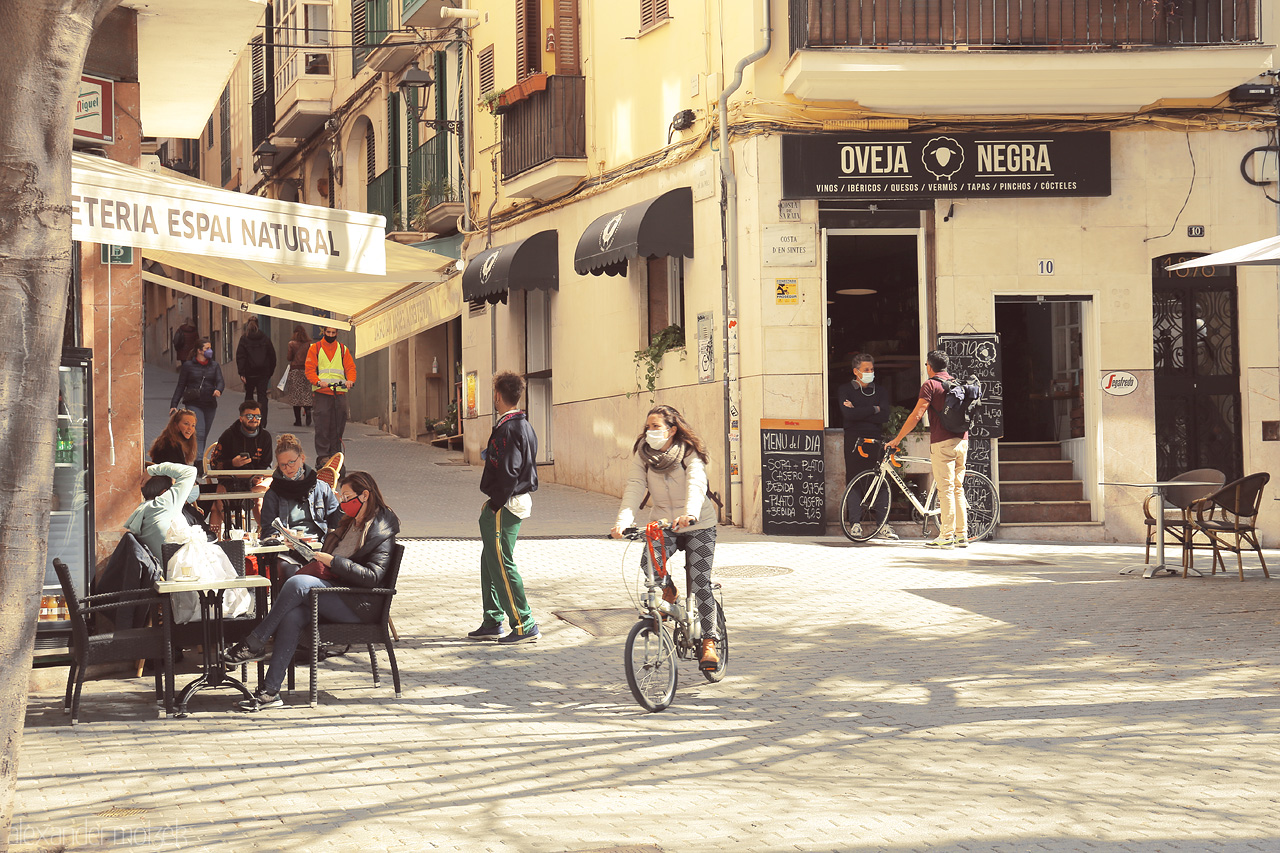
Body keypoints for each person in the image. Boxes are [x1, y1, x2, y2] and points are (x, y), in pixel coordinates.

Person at [221, 470, 400, 711]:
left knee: (297, 583)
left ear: (365, 495)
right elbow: (331, 558)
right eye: (341, 497)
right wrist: (307, 550)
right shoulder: (349, 523)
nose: (342, 503)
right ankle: (270, 692)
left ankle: (254, 642)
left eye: (347, 497)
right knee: (293, 615)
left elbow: (372, 577)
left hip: (361, 603)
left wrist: (333, 562)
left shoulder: (381, 529)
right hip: (339, 591)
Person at [610, 404, 721, 671]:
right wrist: (623, 521)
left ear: (671, 430)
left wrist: (690, 513)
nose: (650, 431)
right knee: (649, 563)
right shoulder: (644, 455)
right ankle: (670, 593)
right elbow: (635, 486)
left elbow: (696, 483)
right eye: (648, 426)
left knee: (700, 582)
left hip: (697, 523)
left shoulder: (689, 452)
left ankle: (709, 641)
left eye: (656, 426)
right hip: (663, 522)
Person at [467, 372, 540, 645]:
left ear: (498, 395)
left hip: (507, 503)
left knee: (501, 562)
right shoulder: (523, 424)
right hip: (510, 501)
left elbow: (509, 472)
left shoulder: (509, 428)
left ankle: (524, 623)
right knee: (491, 560)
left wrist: (494, 505)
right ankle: (492, 619)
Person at [886, 349, 968, 549]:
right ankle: (961, 535)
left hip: (942, 442)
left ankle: (946, 536)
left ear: (929, 367)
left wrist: (897, 439)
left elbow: (917, 415)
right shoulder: (957, 383)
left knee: (946, 489)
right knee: (957, 488)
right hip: (962, 441)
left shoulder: (930, 385)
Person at [260, 433, 343, 577]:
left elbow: (337, 524)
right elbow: (268, 529)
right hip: (288, 551)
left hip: (319, 547)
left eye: (291, 462)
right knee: (288, 569)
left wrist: (342, 507)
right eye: (283, 465)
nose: (288, 468)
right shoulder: (273, 493)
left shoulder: (321, 488)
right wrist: (282, 537)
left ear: (302, 458)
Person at [838, 352, 897, 540]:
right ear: (856, 371)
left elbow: (885, 415)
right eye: (866, 370)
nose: (870, 372)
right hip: (854, 440)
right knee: (854, 480)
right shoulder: (845, 390)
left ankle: (883, 525)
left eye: (872, 369)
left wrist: (858, 411)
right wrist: (874, 409)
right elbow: (848, 416)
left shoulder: (880, 391)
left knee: (880, 480)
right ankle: (855, 524)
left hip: (876, 439)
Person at [208, 400, 273, 534]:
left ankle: (267, 533)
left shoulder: (265, 436)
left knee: (259, 499)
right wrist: (232, 463)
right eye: (249, 416)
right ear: (241, 418)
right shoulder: (228, 435)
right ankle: (225, 534)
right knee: (217, 502)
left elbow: (267, 463)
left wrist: (258, 475)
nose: (254, 419)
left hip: (255, 481)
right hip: (230, 479)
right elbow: (214, 463)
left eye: (258, 416)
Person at [123, 462, 198, 561]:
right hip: (181, 568)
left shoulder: (142, 511)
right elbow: (190, 471)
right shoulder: (165, 504)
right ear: (165, 492)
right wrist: (152, 470)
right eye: (173, 486)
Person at [305, 326, 356, 468]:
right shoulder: (315, 348)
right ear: (324, 332)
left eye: (333, 333)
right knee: (322, 425)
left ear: (337, 333)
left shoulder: (342, 349)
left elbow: (350, 368)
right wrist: (317, 381)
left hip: (339, 392)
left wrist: (350, 380)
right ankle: (323, 455)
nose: (331, 335)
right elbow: (309, 369)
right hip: (322, 393)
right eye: (328, 332)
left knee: (338, 424)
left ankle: (335, 453)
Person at [170, 336, 224, 465]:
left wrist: (218, 390)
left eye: (210, 348)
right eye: (207, 348)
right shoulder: (188, 366)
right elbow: (181, 386)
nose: (210, 351)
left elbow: (220, 381)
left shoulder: (214, 366)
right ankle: (198, 462)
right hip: (193, 403)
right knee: (199, 432)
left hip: (210, 404)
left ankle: (195, 455)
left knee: (203, 434)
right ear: (199, 351)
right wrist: (174, 404)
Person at [235, 317, 277, 429]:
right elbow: (272, 356)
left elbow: (240, 357)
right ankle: (262, 422)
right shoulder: (264, 338)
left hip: (249, 373)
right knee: (262, 396)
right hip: (263, 373)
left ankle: (248, 420)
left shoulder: (244, 339)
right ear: (258, 325)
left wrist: (242, 373)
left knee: (249, 396)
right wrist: (269, 372)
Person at [284, 324, 314, 427]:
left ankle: (298, 421)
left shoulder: (291, 344)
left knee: (296, 396)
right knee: (306, 393)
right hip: (307, 371)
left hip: (295, 371)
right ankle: (308, 410)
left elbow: (289, 357)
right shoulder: (309, 344)